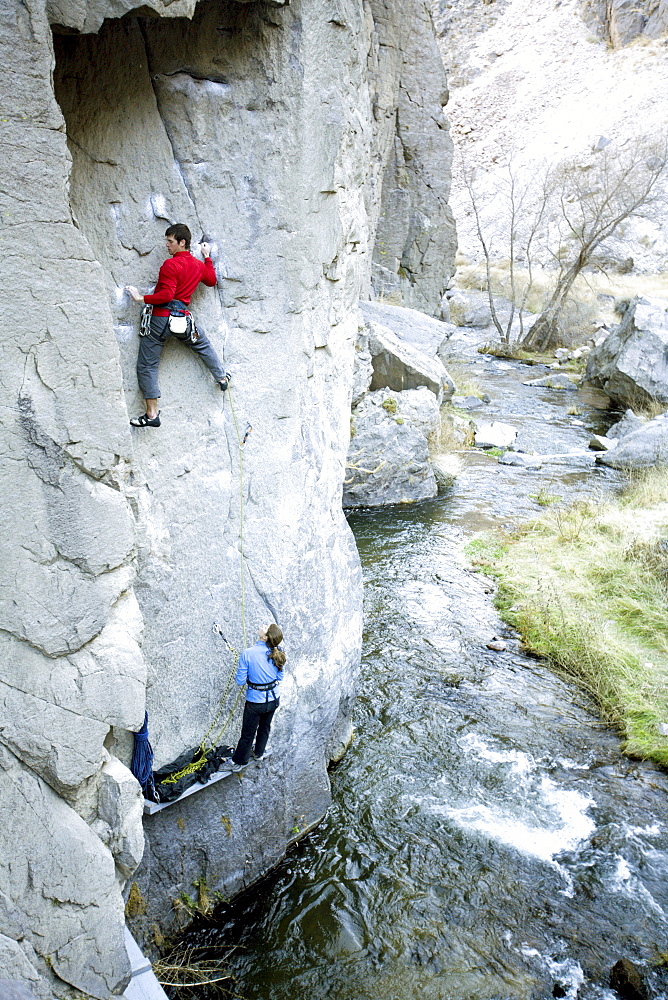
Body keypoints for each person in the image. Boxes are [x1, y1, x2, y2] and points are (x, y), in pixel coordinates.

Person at [125, 223, 231, 428]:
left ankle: (152, 414)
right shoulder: (198, 265)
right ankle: (221, 377)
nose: (167, 245)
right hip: (182, 319)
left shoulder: (170, 265)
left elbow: (166, 295)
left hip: (161, 318)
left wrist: (140, 298)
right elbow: (211, 280)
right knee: (202, 344)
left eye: (170, 241)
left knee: (147, 365)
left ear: (182, 242)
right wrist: (207, 257)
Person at [224, 624, 285, 772]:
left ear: (264, 637)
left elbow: (240, 681)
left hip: (255, 701)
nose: (263, 626)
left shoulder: (248, 653)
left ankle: (238, 762)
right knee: (265, 727)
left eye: (266, 628)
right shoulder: (278, 653)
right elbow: (280, 676)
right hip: (273, 698)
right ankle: (258, 753)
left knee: (248, 733)